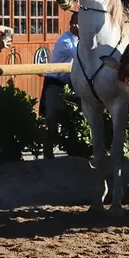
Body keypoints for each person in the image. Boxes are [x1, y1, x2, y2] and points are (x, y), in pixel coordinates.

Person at [40, 12, 79, 159]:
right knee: (51, 118)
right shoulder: (66, 41)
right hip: (55, 82)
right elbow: (80, 56)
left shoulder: (79, 39)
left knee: (69, 117)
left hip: (70, 82)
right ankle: (47, 154)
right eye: (77, 22)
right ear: (72, 24)